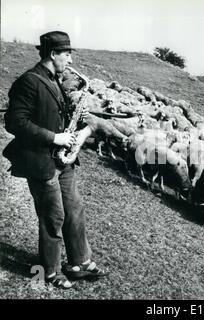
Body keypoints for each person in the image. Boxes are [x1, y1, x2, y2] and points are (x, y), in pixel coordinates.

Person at [3, 31, 107, 289]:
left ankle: (80, 262)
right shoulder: (28, 81)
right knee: (53, 216)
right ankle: (50, 271)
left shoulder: (55, 79)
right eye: (67, 54)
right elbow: (15, 122)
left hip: (64, 161)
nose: (70, 60)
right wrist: (54, 138)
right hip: (41, 161)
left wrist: (77, 114)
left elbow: (54, 113)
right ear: (53, 54)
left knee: (74, 210)